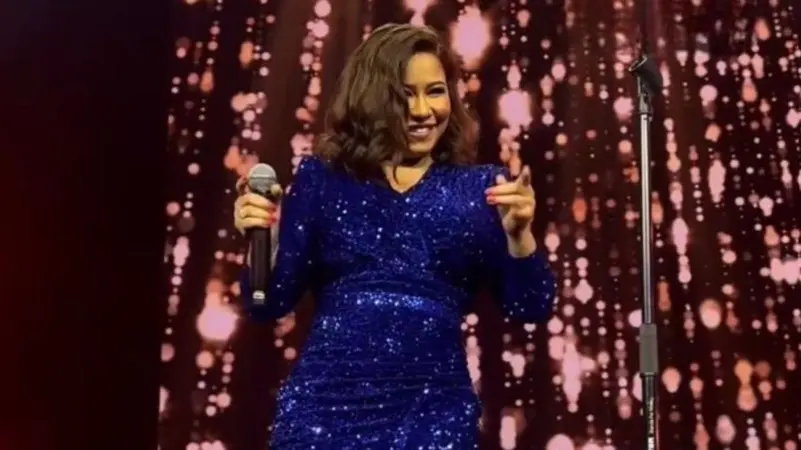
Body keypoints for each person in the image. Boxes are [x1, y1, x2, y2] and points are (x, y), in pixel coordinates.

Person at [233, 23, 556, 449]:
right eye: (404, 95)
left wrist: (519, 236)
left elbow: (531, 305)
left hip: (432, 419)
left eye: (435, 91)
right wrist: (266, 235)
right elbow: (265, 304)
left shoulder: (482, 190)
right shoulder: (323, 180)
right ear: (371, 99)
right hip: (323, 418)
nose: (422, 110)